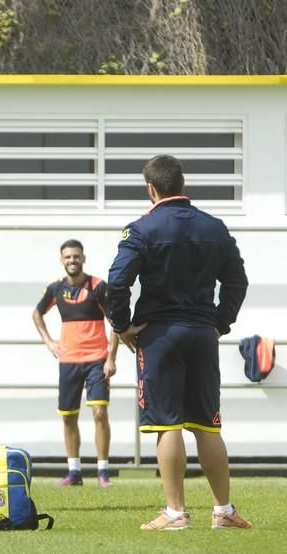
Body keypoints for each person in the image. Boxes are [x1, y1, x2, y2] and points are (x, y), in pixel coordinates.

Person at [106, 154, 251, 531]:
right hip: (203, 333)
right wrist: (219, 323)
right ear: (183, 184)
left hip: (160, 336)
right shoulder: (215, 227)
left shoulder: (140, 229)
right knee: (207, 425)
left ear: (150, 189)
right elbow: (237, 282)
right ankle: (224, 511)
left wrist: (121, 326)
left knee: (166, 424)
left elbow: (117, 284)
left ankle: (175, 514)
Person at [33, 239, 119, 488]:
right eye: (68, 257)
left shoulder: (98, 287)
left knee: (100, 413)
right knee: (68, 416)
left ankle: (103, 472)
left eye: (76, 256)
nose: (72, 260)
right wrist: (49, 341)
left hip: (97, 360)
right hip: (69, 361)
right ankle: (74, 472)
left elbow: (115, 322)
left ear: (84, 258)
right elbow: (36, 313)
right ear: (62, 260)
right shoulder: (56, 289)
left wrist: (111, 358)